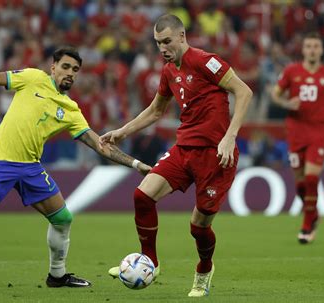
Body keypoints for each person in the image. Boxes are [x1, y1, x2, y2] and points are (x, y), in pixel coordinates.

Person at [0, 47, 152, 291]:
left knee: (63, 218)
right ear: (53, 67)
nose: (70, 73)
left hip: (30, 168)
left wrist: (136, 164)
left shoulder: (70, 109)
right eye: (65, 67)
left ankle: (57, 276)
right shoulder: (33, 77)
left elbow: (100, 145)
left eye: (75, 70)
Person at [100, 14, 252, 297]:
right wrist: (122, 132)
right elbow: (156, 111)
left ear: (182, 37)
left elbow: (244, 92)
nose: (163, 48)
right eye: (158, 43)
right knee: (142, 196)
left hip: (215, 155)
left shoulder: (207, 61)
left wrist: (230, 137)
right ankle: (151, 263)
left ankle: (204, 270)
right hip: (184, 149)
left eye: (167, 41)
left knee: (198, 226)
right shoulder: (169, 70)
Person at [271, 32, 324, 244]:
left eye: (315, 46)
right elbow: (275, 93)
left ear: (321, 50)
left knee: (311, 178)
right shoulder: (292, 71)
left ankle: (308, 224)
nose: (312, 50)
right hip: (295, 130)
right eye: (308, 46)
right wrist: (286, 104)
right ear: (303, 49)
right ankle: (314, 212)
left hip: (318, 130)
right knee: (300, 184)